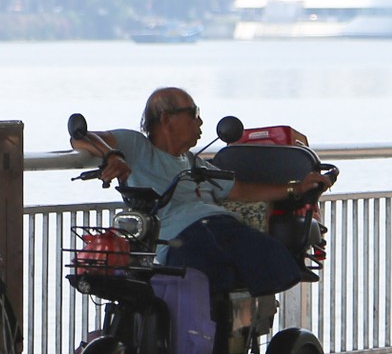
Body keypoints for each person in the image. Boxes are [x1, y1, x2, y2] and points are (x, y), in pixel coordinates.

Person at [72, 86, 333, 298]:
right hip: (179, 237)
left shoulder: (193, 162)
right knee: (213, 270)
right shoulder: (138, 146)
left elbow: (241, 189)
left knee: (278, 261)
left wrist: (296, 188)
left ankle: (234, 332)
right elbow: (81, 138)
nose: (200, 121)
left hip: (218, 228)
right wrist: (112, 155)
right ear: (166, 118)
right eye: (194, 113)